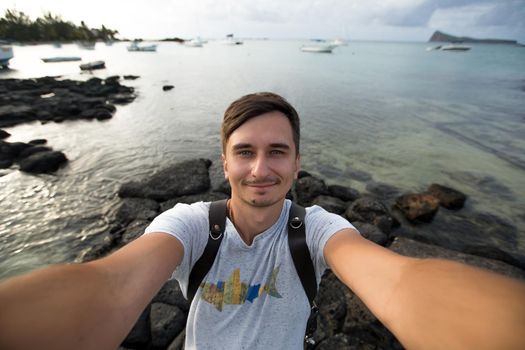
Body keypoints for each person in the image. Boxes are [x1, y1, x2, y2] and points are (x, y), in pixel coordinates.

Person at [0, 92, 524, 350]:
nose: (259, 169)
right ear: (224, 162)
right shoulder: (189, 225)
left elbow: (400, 282)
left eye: (277, 152)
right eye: (244, 152)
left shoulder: (316, 230)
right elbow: (109, 288)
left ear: (297, 164)